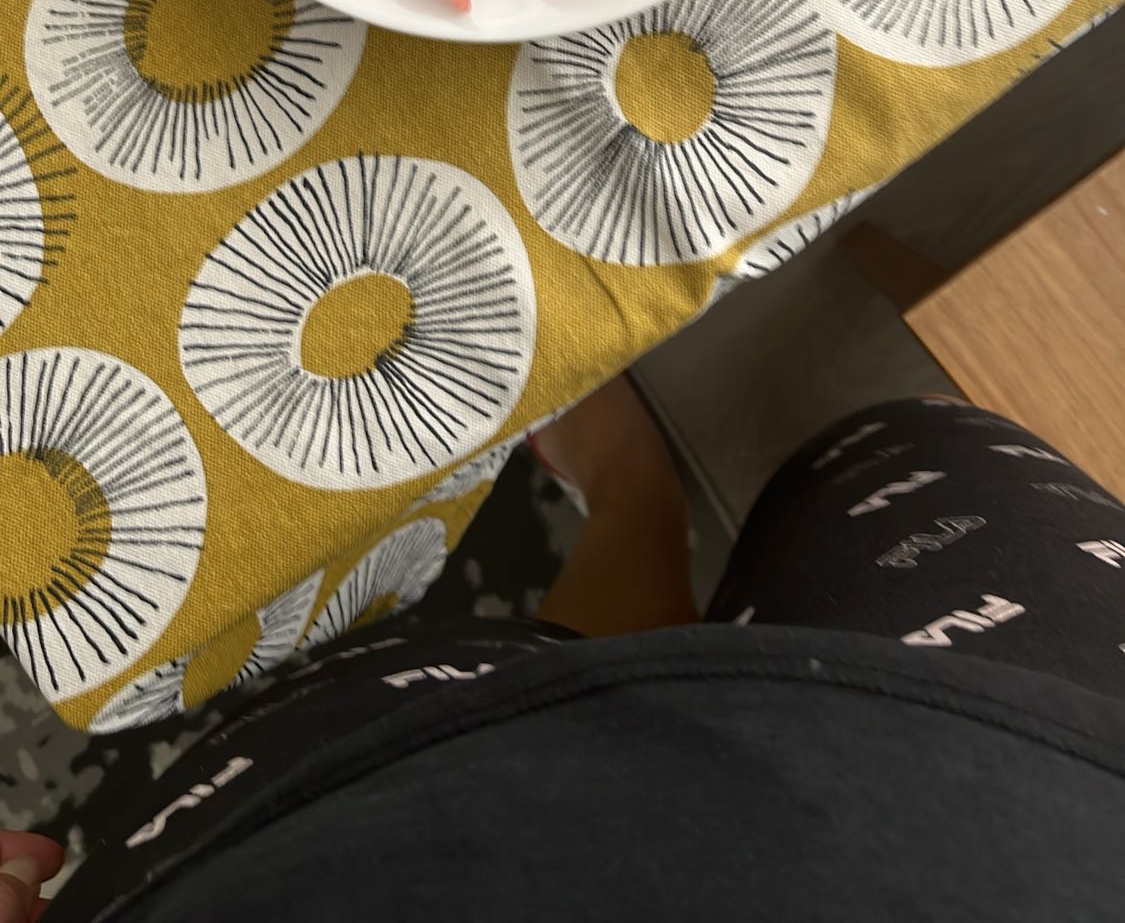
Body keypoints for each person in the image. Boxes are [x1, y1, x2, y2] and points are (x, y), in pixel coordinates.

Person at [9, 384, 1125, 923]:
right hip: (1036, 819)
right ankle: (641, 507)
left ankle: (637, 512)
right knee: (916, 444)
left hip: (316, 849)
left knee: (511, 677)